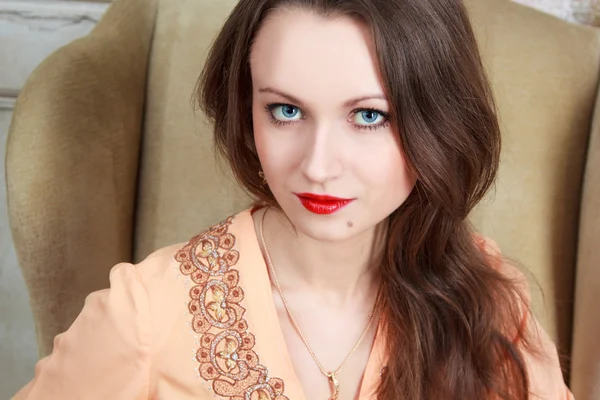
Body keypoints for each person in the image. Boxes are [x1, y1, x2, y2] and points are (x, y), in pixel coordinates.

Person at [12, 0, 573, 399]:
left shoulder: (487, 298)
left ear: (439, 123)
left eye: (369, 116)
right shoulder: (146, 314)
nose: (318, 165)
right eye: (286, 110)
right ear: (245, 110)